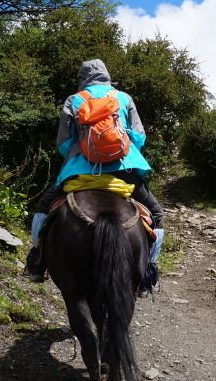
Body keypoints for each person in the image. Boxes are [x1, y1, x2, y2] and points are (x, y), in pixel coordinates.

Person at [26, 59, 165, 290]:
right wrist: (121, 152)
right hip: (125, 170)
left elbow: (64, 141)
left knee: (44, 206)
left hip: (79, 171)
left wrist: (79, 157)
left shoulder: (74, 99)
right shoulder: (124, 98)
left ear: (82, 79)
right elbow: (139, 137)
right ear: (107, 76)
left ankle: (37, 262)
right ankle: (149, 273)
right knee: (157, 214)